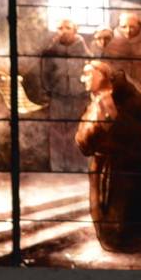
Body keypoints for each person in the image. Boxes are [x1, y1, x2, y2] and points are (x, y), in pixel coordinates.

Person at [76, 61, 141, 252]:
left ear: (101, 75)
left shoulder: (125, 100)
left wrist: (108, 117)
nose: (83, 79)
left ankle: (128, 239)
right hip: (104, 166)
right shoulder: (97, 102)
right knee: (107, 216)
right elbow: (84, 143)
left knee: (125, 216)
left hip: (124, 168)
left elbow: (138, 133)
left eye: (88, 74)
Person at [40, 19, 91, 172]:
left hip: (79, 95)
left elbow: (90, 72)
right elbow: (45, 74)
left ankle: (79, 165)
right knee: (57, 131)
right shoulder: (51, 52)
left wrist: (86, 91)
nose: (63, 31)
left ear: (75, 30)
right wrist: (50, 90)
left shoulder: (84, 51)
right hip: (58, 95)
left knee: (78, 130)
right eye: (60, 28)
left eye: (67, 27)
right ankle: (58, 165)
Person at [103, 11, 141, 102]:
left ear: (139, 26)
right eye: (124, 27)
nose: (128, 31)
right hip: (118, 89)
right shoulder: (111, 45)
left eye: (132, 27)